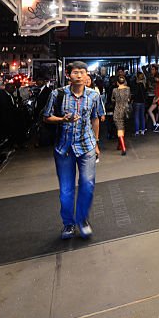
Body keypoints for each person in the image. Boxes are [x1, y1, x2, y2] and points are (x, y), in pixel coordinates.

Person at [43, 61, 105, 240]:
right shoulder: (58, 94)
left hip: (87, 146)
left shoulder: (94, 95)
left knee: (88, 184)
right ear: (68, 75)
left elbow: (96, 119)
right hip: (64, 148)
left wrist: (96, 143)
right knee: (66, 189)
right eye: (75, 72)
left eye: (82, 72)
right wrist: (63, 120)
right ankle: (68, 224)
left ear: (87, 76)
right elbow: (47, 117)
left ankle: (82, 220)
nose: (79, 75)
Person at [111, 75, 131, 156]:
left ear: (117, 83)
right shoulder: (128, 89)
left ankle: (123, 148)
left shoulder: (115, 90)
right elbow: (129, 98)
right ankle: (119, 145)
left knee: (119, 128)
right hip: (126, 110)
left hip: (118, 110)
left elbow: (112, 99)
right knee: (123, 127)